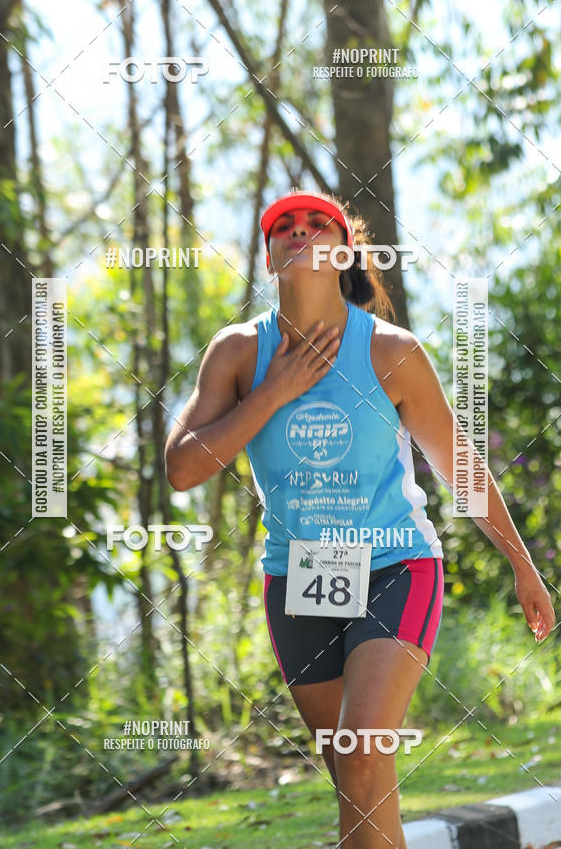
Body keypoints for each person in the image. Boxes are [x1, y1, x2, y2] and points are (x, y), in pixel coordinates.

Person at [164, 189, 556, 849]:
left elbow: (461, 467)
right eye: (284, 227)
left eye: (318, 224)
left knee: (363, 753)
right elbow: (181, 468)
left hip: (395, 566)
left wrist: (522, 565)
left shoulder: (391, 352)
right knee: (358, 781)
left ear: (343, 251)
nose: (300, 232)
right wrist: (275, 391)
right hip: (299, 579)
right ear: (268, 258)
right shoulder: (235, 352)